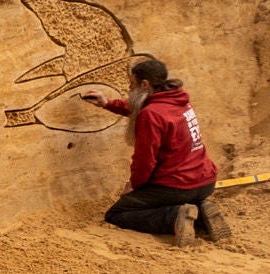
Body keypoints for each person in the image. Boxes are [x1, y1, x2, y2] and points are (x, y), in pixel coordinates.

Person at [89, 54, 218, 241]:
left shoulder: (151, 114)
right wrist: (107, 103)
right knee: (156, 200)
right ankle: (202, 210)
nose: (129, 88)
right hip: (206, 182)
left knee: (117, 214)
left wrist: (134, 185)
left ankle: (176, 217)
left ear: (145, 85)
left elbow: (145, 159)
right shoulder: (179, 101)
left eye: (132, 83)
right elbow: (142, 108)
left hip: (177, 186)